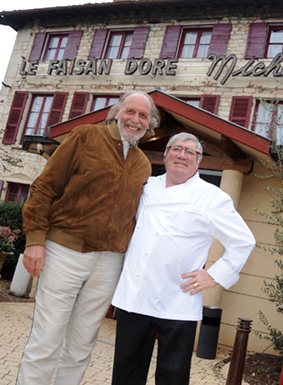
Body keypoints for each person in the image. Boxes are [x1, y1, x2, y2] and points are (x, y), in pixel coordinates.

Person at [17, 91, 159, 385]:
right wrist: (34, 240)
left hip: (109, 262)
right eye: (130, 111)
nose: (135, 120)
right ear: (117, 112)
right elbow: (43, 188)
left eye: (143, 116)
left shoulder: (144, 165)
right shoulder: (84, 137)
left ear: (150, 123)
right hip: (64, 252)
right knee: (46, 339)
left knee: (82, 346)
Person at [110, 132, 256, 385]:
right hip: (135, 296)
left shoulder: (212, 197)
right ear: (166, 155)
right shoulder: (146, 185)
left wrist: (213, 275)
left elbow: (244, 241)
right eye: (177, 149)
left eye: (190, 152)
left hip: (177, 300)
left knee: (173, 377)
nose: (182, 155)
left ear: (198, 161)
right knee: (125, 374)